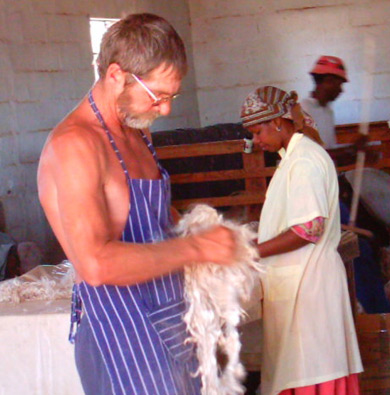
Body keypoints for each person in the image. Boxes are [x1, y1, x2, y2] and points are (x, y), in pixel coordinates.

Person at [37, 13, 236, 395]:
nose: (165, 110)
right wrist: (195, 247)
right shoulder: (76, 145)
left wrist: (197, 229)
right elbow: (95, 264)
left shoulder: (136, 132)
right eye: (158, 95)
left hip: (169, 319)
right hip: (120, 334)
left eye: (171, 97)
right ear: (115, 75)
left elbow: (153, 218)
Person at [240, 86, 363, 395]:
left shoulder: (305, 160)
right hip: (299, 283)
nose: (257, 141)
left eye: (258, 132)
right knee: (301, 369)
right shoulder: (292, 158)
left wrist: (251, 251)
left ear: (279, 123)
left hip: (309, 287)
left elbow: (309, 228)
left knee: (312, 371)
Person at [300, 56, 347, 150]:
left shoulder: (328, 112)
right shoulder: (303, 111)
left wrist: (354, 150)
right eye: (339, 84)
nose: (341, 90)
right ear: (328, 81)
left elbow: (328, 152)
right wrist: (351, 150)